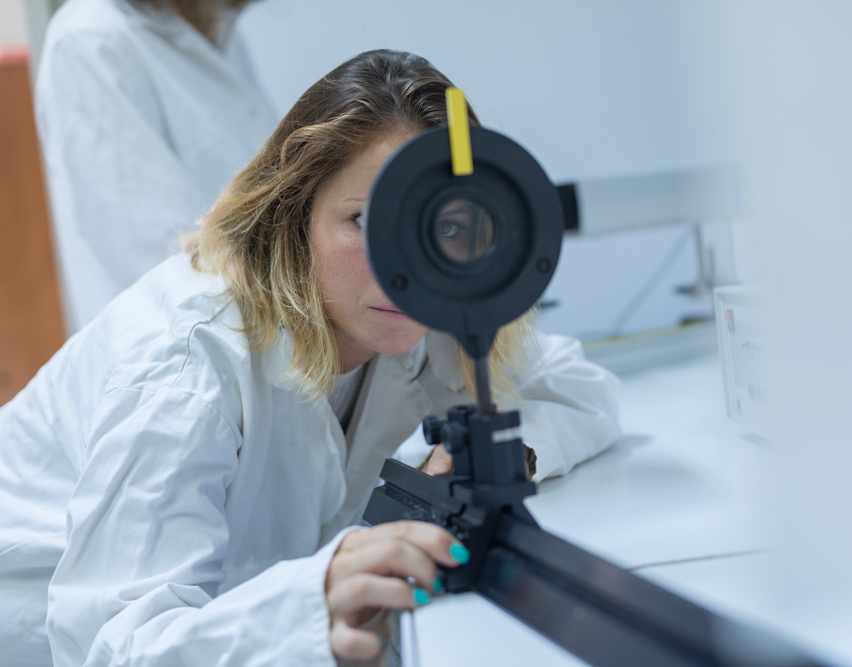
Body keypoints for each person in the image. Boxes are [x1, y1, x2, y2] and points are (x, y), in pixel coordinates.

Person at [0, 50, 621, 666]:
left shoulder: (414, 318)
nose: (402, 262)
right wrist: (305, 607)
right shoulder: (187, 362)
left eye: (445, 226)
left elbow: (579, 386)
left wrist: (483, 459)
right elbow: (110, 647)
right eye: (365, 220)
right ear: (295, 216)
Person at [34, 0, 277, 332]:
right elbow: (162, 259)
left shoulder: (216, 24)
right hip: (189, 341)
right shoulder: (90, 39)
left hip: (259, 327)